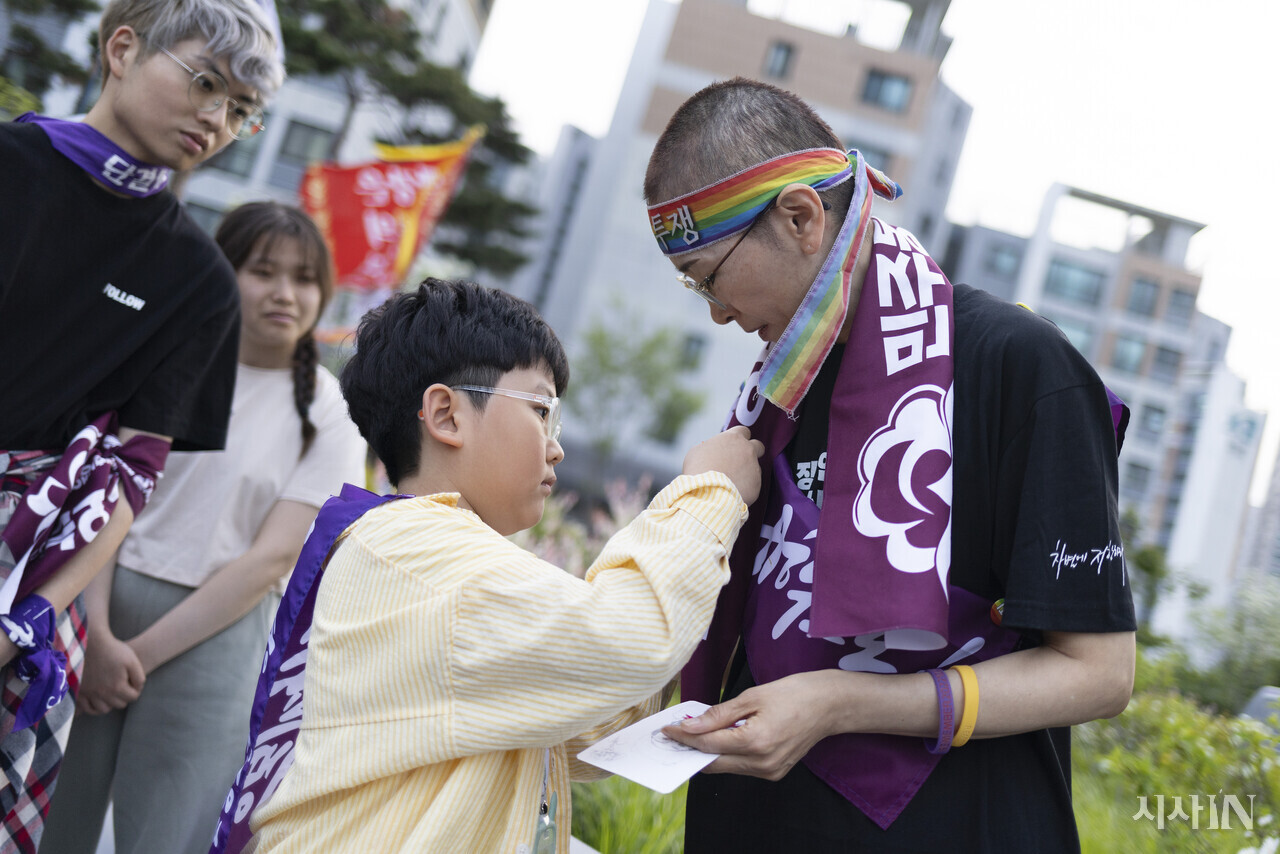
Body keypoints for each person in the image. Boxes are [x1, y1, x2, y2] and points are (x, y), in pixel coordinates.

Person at [643, 77, 1137, 853]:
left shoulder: (1017, 366)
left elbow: (1098, 673)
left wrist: (842, 703)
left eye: (708, 276)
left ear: (801, 217)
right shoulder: (771, 396)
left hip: (953, 825)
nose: (714, 312)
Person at [207, 278, 764, 854]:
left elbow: (585, 728)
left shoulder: (401, 547)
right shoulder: (421, 553)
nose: (556, 447)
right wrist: (709, 492)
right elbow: (626, 636)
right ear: (446, 414)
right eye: (541, 410)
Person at [0, 1, 283, 849]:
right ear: (122, 48)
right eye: (205, 83)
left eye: (239, 110)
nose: (216, 120)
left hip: (34, 573)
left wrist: (32, 621)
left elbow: (130, 472)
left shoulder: (198, 280)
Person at [41, 203, 365, 854]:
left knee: (168, 834)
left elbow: (271, 559)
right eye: (262, 271)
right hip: (91, 604)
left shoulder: (330, 411)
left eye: (303, 279)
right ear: (222, 272)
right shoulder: (162, 365)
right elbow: (103, 497)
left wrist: (137, 654)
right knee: (53, 820)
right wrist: (100, 635)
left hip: (215, 639)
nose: (284, 293)